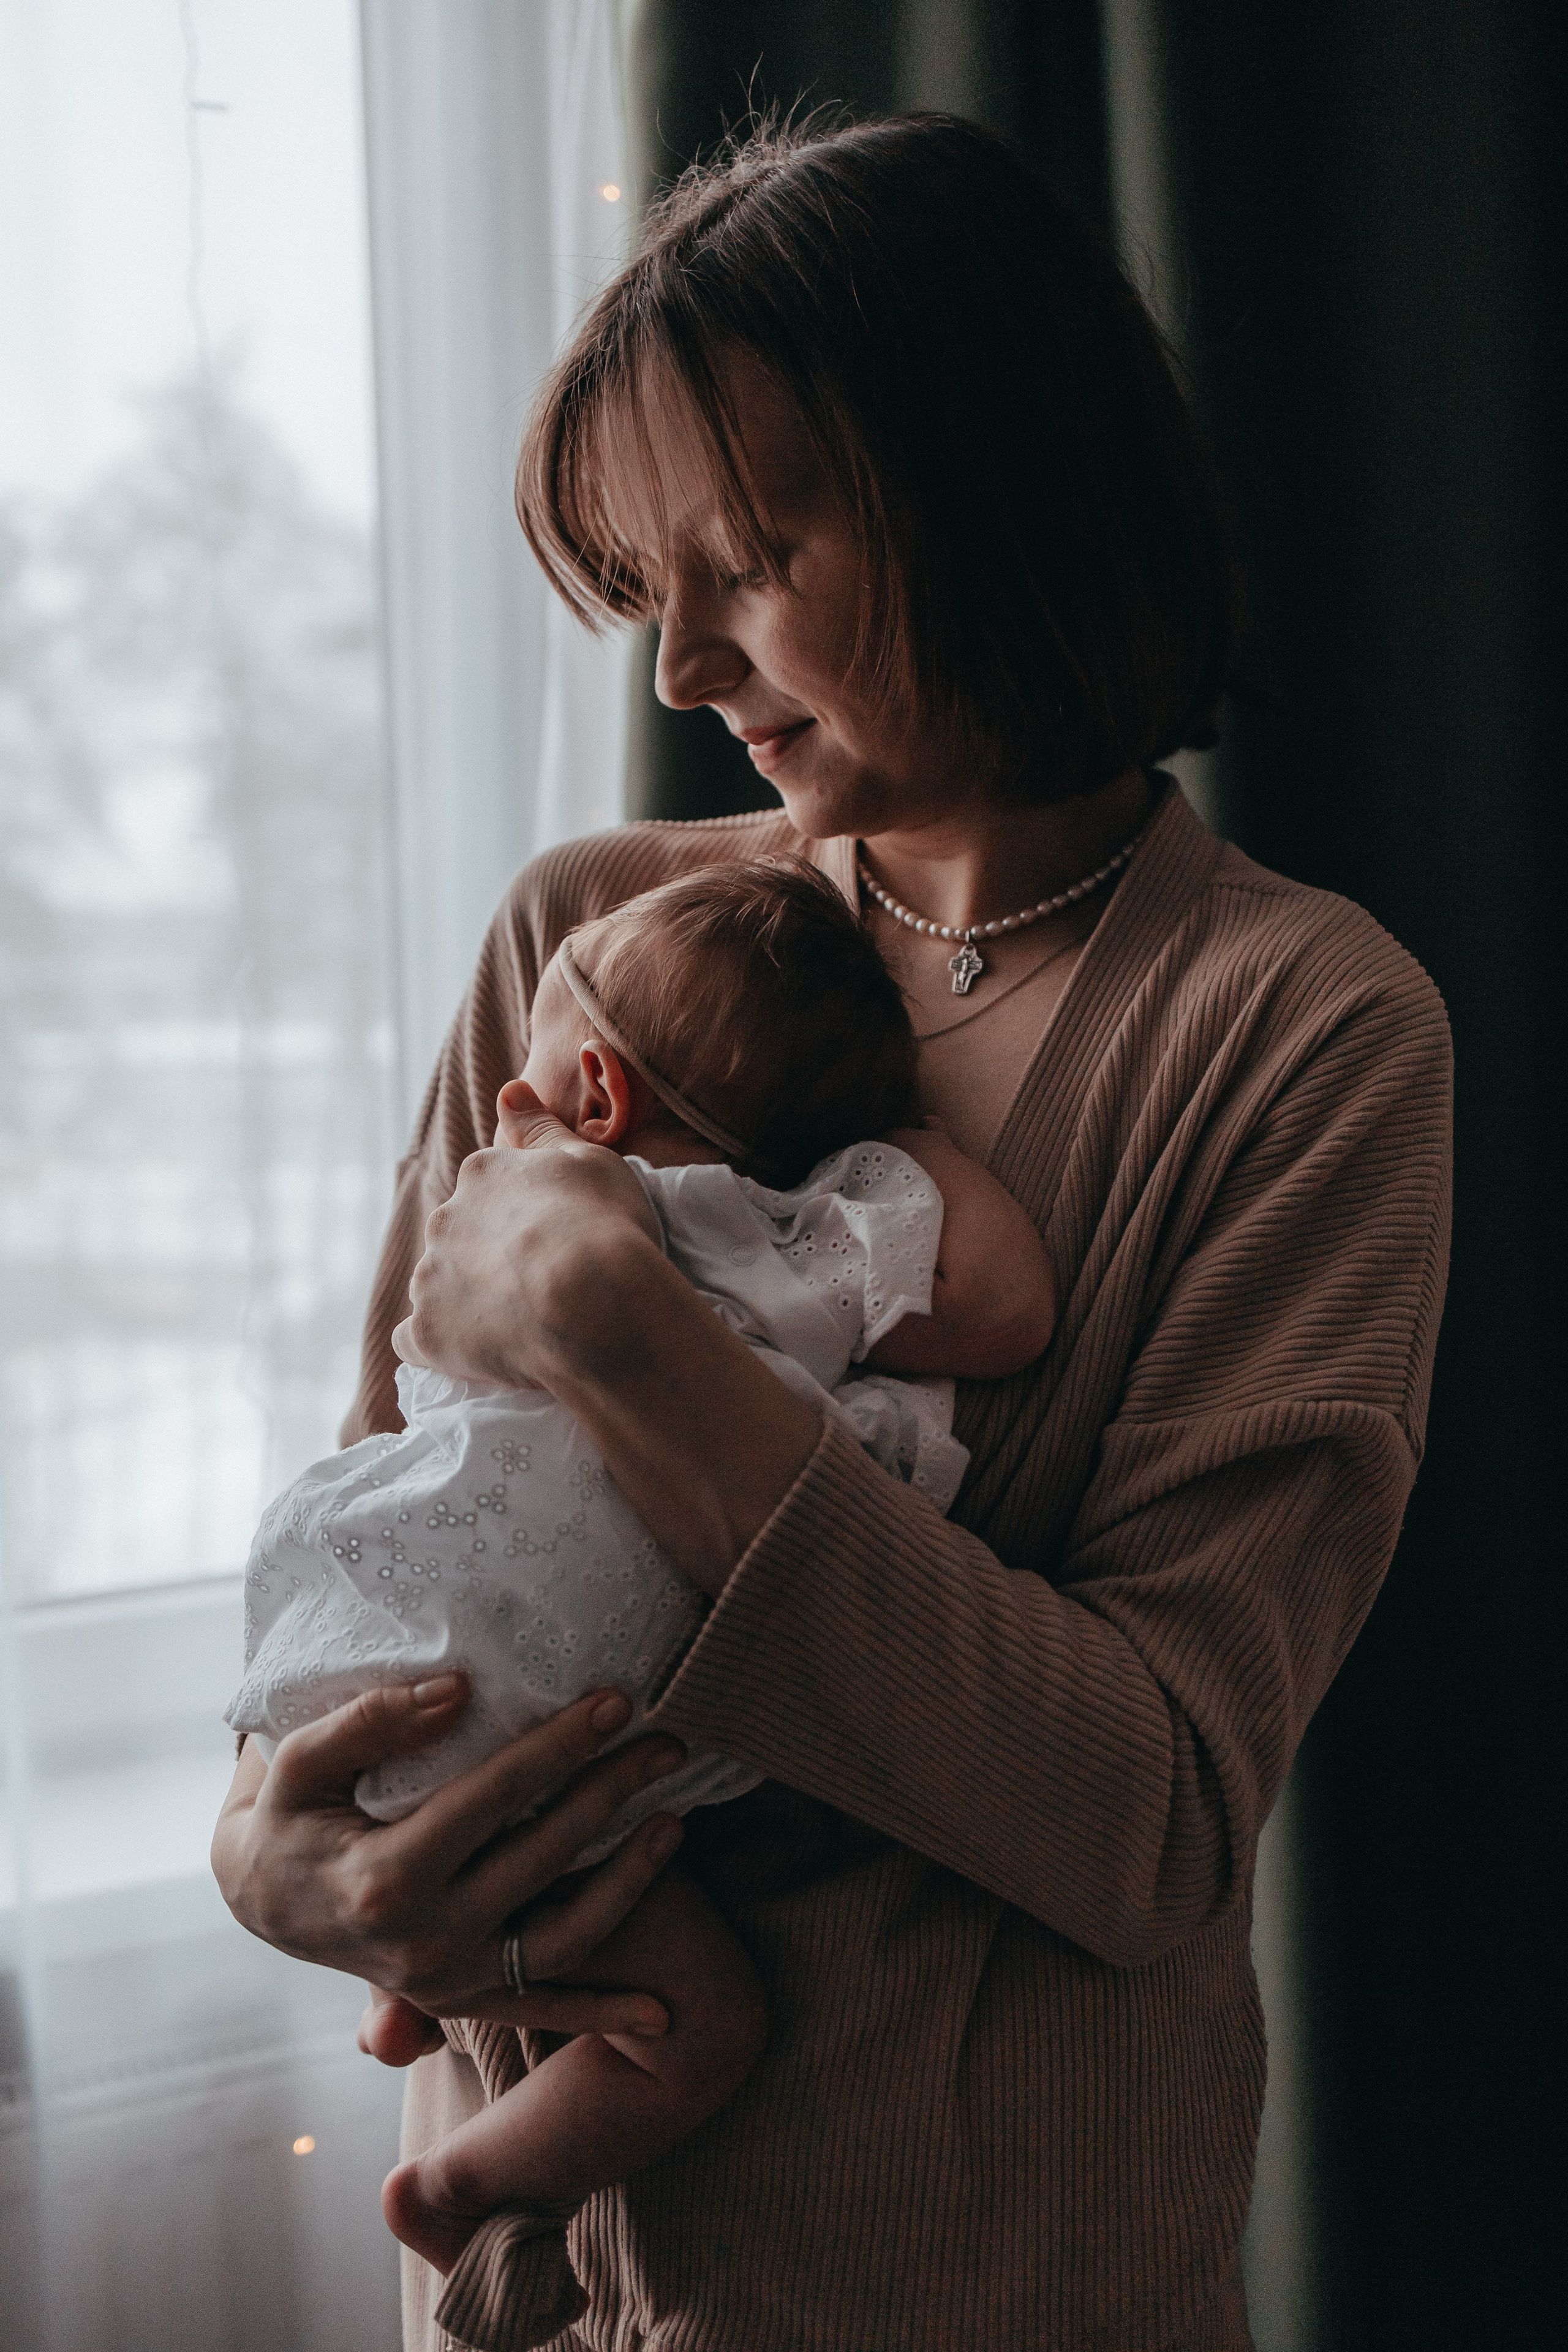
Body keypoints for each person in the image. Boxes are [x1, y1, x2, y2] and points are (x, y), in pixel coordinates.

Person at [213, 114, 1452, 2352]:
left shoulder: (1301, 1032)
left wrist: (625, 1327)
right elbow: (396, 1527)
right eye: (644, 578)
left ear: (997, 493)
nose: (680, 663)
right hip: (518, 2300)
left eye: (752, 556)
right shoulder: (586, 945)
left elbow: (1156, 1819)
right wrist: (267, 1850)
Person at [223, 857, 1054, 2343]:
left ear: (595, 1093)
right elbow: (1004, 1310)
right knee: (692, 2024)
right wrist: (916, 1140)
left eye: (531, 1078)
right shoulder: (787, 1241)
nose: (504, 1109)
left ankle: (413, 1987)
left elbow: (388, 1421)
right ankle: (466, 2188)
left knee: (484, 1846)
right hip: (559, 1710)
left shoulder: (528, 1204)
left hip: (362, 1653)